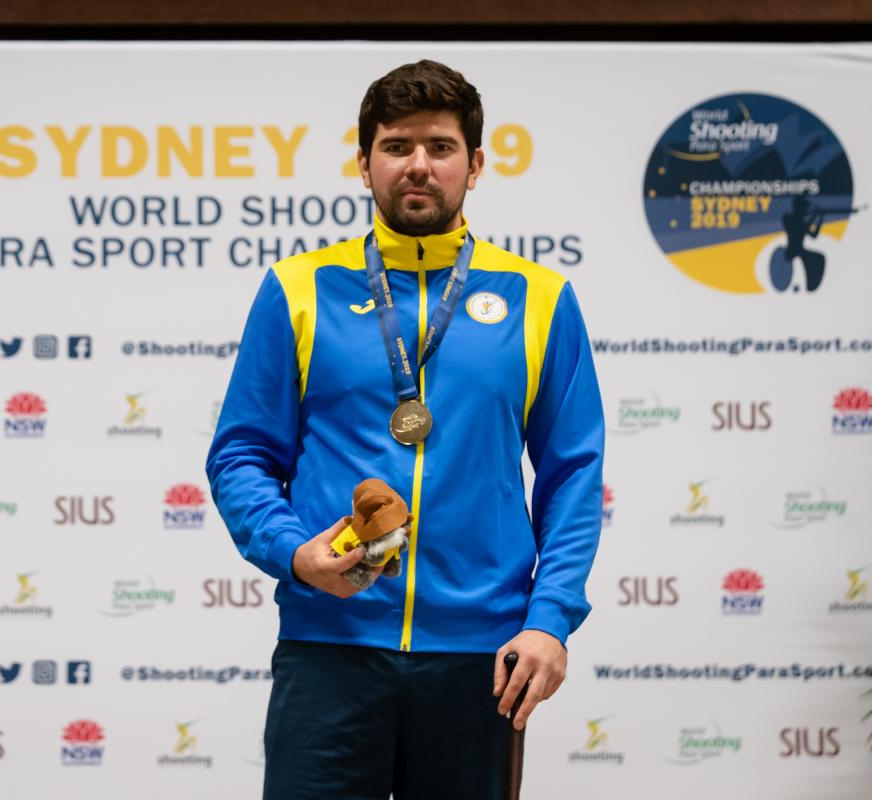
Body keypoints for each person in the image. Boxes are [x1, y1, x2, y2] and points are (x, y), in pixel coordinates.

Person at [206, 59, 604, 799]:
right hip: (330, 644)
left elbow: (573, 474)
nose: (418, 165)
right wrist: (295, 553)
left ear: (475, 165)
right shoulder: (297, 289)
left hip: (482, 656)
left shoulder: (540, 298)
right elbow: (242, 454)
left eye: (440, 147)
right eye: (396, 147)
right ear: (363, 163)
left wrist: (550, 621)